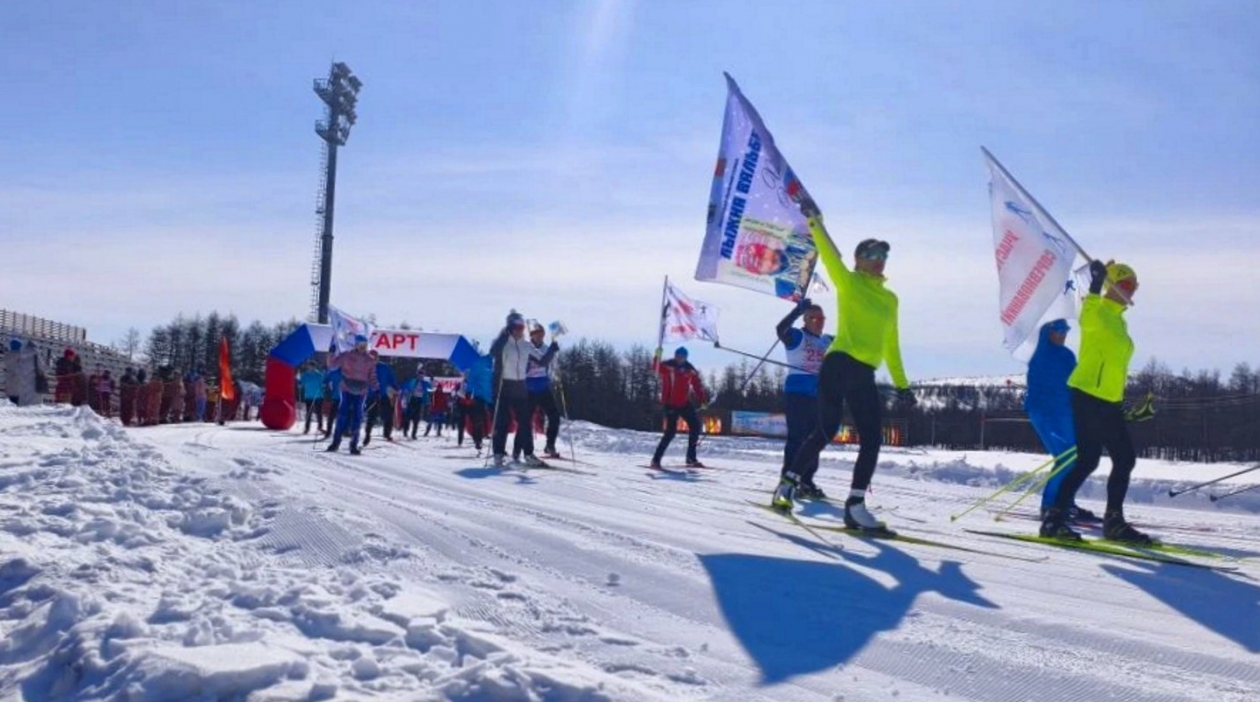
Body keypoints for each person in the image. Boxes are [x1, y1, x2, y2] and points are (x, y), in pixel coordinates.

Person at [773, 198, 916, 532]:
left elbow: (891, 344)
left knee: (864, 437)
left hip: (863, 370)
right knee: (828, 430)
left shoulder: (890, 299)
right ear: (858, 261)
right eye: (872, 255)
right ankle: (793, 486)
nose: (879, 260)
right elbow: (829, 253)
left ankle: (845, 502)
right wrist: (814, 219)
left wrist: (902, 383)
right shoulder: (849, 283)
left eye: (883, 256)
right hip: (839, 365)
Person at [1042, 261, 1151, 544]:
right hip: (1089, 395)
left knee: (1107, 459)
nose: (1132, 289)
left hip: (1108, 400)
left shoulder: (1118, 319)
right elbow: (1087, 314)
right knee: (1099, 459)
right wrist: (1094, 283)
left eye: (1133, 285)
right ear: (1112, 286)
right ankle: (1062, 519)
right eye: (1126, 284)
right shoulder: (1098, 310)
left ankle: (1101, 522)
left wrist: (1119, 402)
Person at [1025, 319, 1096, 522]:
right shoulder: (1040, 356)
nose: (1063, 333)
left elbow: (1077, 381)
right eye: (1058, 329)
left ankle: (1065, 502)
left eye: (1066, 329)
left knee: (1075, 457)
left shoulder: (1066, 355)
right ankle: (1049, 507)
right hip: (1045, 413)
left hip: (1065, 412)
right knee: (1066, 457)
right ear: (1048, 331)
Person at [775, 297, 833, 498]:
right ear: (806, 320)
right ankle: (787, 480)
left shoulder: (827, 341)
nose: (820, 322)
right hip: (798, 395)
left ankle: (806, 480)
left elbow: (849, 343)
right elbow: (780, 330)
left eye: (822, 318)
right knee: (797, 438)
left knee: (815, 439)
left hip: (819, 396)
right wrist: (796, 312)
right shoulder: (798, 336)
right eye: (815, 319)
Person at [490, 311, 543, 467]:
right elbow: (493, 352)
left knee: (525, 422)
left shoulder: (526, 345)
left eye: (522, 327)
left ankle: (528, 454)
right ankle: (498, 454)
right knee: (502, 422)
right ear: (510, 328)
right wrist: (504, 335)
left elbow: (543, 360)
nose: (520, 330)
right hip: (504, 386)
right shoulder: (503, 342)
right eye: (517, 327)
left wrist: (553, 349)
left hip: (520, 386)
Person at [649, 347, 709, 468]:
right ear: (675, 355)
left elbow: (697, 385)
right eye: (678, 355)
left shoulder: (690, 369)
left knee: (695, 426)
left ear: (686, 357)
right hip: (670, 403)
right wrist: (657, 355)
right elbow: (655, 367)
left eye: (683, 356)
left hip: (684, 403)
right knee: (670, 432)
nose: (680, 358)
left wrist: (702, 400)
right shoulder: (668, 366)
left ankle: (691, 458)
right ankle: (656, 460)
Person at [326, 334, 378, 454]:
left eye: (365, 346)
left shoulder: (370, 360)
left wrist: (376, 389)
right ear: (356, 344)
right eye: (360, 345)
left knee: (357, 417)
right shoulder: (347, 356)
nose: (362, 348)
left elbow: (372, 376)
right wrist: (331, 352)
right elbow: (332, 365)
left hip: (361, 390)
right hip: (347, 388)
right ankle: (335, 442)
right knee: (343, 415)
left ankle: (354, 444)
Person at [521, 323, 563, 459]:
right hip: (529, 388)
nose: (540, 336)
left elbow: (550, 365)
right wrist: (551, 351)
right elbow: (542, 362)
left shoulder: (546, 348)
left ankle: (550, 445)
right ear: (531, 335)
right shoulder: (528, 348)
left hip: (543, 387)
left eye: (542, 333)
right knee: (527, 420)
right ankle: (527, 450)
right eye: (537, 333)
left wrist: (556, 374)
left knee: (554, 417)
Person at [363, 350, 398, 445]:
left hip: (383, 395)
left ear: (378, 357)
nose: (373, 360)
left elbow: (391, 378)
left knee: (388, 414)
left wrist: (395, 387)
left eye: (375, 358)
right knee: (371, 416)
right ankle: (367, 435)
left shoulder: (384, 367)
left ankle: (387, 433)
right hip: (372, 395)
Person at [466, 355, 493, 454]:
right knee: (478, 419)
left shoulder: (502, 361)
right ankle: (478, 440)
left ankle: (498, 448)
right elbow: (473, 376)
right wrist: (469, 390)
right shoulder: (482, 361)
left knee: (496, 421)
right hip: (480, 395)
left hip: (493, 397)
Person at [4, 338, 39, 407]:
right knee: (17, 398)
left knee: (11, 396)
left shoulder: (7, 356)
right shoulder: (19, 356)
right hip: (18, 380)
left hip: (10, 379)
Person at [298, 364, 326, 434]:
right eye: (309, 366)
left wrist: (323, 386)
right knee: (309, 413)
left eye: (312, 366)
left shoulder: (319, 375)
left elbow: (323, 384)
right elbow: (302, 384)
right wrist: (300, 385)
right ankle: (307, 428)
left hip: (318, 396)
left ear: (314, 367)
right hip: (308, 396)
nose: (310, 368)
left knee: (319, 413)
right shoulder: (304, 375)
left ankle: (320, 427)